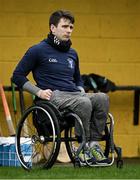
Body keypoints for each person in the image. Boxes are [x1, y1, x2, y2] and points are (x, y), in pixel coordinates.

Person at [12, 10, 110, 164]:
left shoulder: (73, 53)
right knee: (83, 103)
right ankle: (82, 147)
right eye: (64, 26)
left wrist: (81, 88)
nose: (69, 31)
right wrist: (38, 92)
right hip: (53, 97)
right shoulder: (37, 50)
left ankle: (93, 145)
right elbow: (17, 76)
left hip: (74, 95)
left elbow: (77, 78)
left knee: (102, 98)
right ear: (52, 28)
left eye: (71, 27)